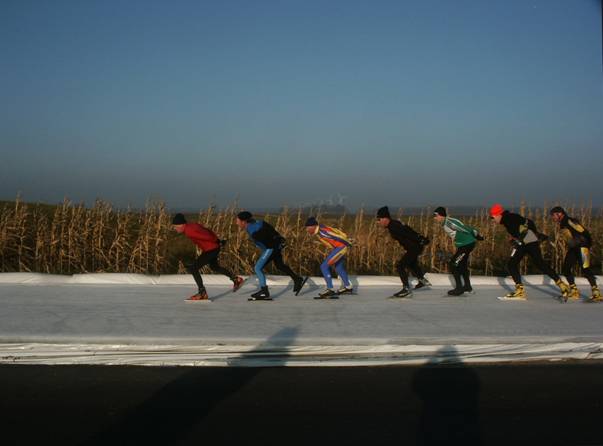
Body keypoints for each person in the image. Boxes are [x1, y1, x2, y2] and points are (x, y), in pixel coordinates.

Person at [489, 204, 569, 300]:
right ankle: (562, 285)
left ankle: (520, 292)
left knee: (512, 264)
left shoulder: (508, 219)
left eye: (492, 217)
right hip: (529, 239)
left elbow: (522, 230)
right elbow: (529, 222)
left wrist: (517, 241)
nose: (493, 220)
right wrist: (533, 234)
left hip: (526, 240)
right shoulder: (510, 217)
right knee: (540, 264)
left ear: (498, 214)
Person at [235, 211, 306, 300]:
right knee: (280, 265)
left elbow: (267, 242)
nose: (236, 223)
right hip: (275, 246)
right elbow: (270, 228)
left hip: (270, 248)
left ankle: (264, 291)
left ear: (244, 222)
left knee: (258, 268)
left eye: (237, 221)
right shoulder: (258, 222)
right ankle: (297, 279)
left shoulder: (253, 230)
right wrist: (279, 239)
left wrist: (274, 245)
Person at [172, 213, 244, 301]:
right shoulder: (192, 225)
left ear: (181, 225)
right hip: (212, 248)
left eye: (175, 227)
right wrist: (218, 241)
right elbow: (207, 230)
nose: (175, 229)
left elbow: (206, 235)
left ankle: (202, 292)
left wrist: (217, 241)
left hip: (211, 249)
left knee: (193, 268)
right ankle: (236, 279)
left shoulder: (189, 231)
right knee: (214, 267)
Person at [376, 206, 431, 298]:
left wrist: (420, 239)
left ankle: (406, 289)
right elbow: (408, 229)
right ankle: (422, 280)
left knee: (400, 266)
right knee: (411, 264)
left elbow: (407, 233)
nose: (378, 222)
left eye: (379, 219)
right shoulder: (394, 224)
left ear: (385, 218)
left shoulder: (394, 226)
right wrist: (420, 237)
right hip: (414, 247)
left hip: (415, 247)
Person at [550, 206, 601, 302]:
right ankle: (574, 291)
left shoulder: (569, 221)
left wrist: (587, 244)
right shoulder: (562, 224)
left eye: (553, 215)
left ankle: (596, 293)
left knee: (585, 268)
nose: (552, 218)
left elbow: (583, 231)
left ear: (559, 214)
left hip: (582, 247)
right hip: (574, 249)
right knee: (566, 268)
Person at [433, 207, 483, 296]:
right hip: (464, 245)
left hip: (467, 244)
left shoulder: (449, 222)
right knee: (462, 265)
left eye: (435, 215)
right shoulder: (445, 222)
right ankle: (467, 287)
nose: (434, 217)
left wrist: (477, 235)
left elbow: (464, 228)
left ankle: (459, 289)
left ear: (441, 215)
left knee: (453, 264)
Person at [304, 217, 353, 299]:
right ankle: (348, 287)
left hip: (340, 247)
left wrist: (347, 242)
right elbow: (334, 233)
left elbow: (337, 236)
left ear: (314, 226)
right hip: (338, 248)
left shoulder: (323, 231)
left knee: (324, 266)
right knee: (338, 267)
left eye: (308, 227)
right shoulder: (320, 230)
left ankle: (330, 289)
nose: (307, 230)